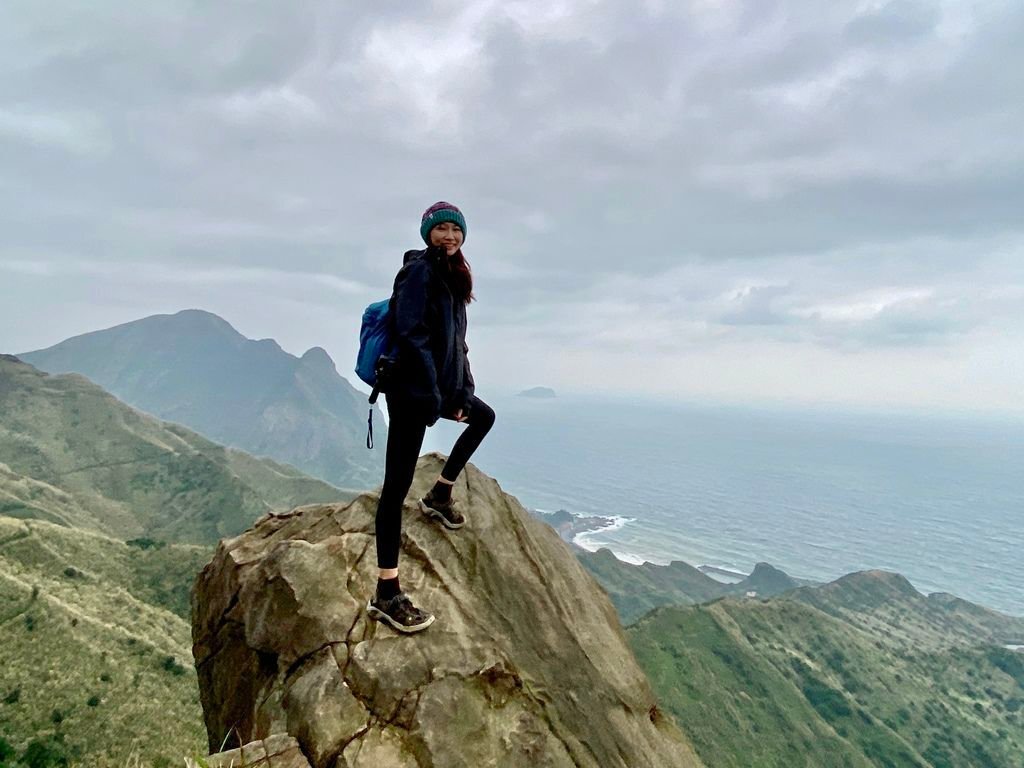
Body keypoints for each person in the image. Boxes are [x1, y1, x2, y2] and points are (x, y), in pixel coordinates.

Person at [365, 201, 496, 633]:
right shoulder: (418, 271)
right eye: (440, 229)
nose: (449, 236)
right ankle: (387, 592)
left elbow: (458, 344)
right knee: (396, 486)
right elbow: (411, 334)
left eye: (455, 230)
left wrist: (463, 391)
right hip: (410, 391)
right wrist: (431, 393)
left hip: (438, 390)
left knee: (483, 417)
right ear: (427, 234)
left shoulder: (456, 275)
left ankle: (440, 495)